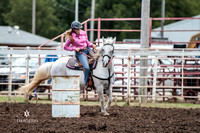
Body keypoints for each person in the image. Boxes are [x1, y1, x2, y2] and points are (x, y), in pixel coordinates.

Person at [64, 21, 96, 90]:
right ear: (73, 29)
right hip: (80, 53)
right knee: (86, 67)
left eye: (80, 29)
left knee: (98, 59)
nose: (79, 30)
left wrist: (92, 45)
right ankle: (86, 83)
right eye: (77, 29)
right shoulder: (70, 37)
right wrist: (75, 48)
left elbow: (87, 42)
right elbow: (65, 47)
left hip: (88, 49)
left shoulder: (83, 33)